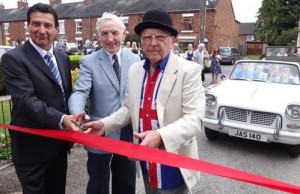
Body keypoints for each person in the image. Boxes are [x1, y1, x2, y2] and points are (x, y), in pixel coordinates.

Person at [75, 9, 205, 194]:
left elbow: (195, 119)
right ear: (140, 41)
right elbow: (129, 108)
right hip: (146, 160)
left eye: (160, 37)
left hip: (172, 161)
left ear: (172, 40)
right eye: (146, 37)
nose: (152, 43)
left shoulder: (189, 71)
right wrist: (104, 125)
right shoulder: (136, 69)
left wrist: (160, 136)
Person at [2, 3, 79, 194]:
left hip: (59, 146)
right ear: (28, 26)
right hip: (32, 149)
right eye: (36, 24)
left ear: (56, 30)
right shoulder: (14, 58)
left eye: (47, 25)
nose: (42, 30)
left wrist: (73, 121)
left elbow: (63, 96)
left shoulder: (62, 57)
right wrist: (62, 119)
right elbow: (26, 100)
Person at [68, 12, 140, 194]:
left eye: (115, 33)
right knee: (98, 184)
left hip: (127, 129)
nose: (110, 38)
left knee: (126, 184)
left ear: (124, 34)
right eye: (104, 33)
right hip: (99, 130)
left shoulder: (135, 60)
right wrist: (77, 113)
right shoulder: (89, 61)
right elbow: (80, 91)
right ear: (98, 36)